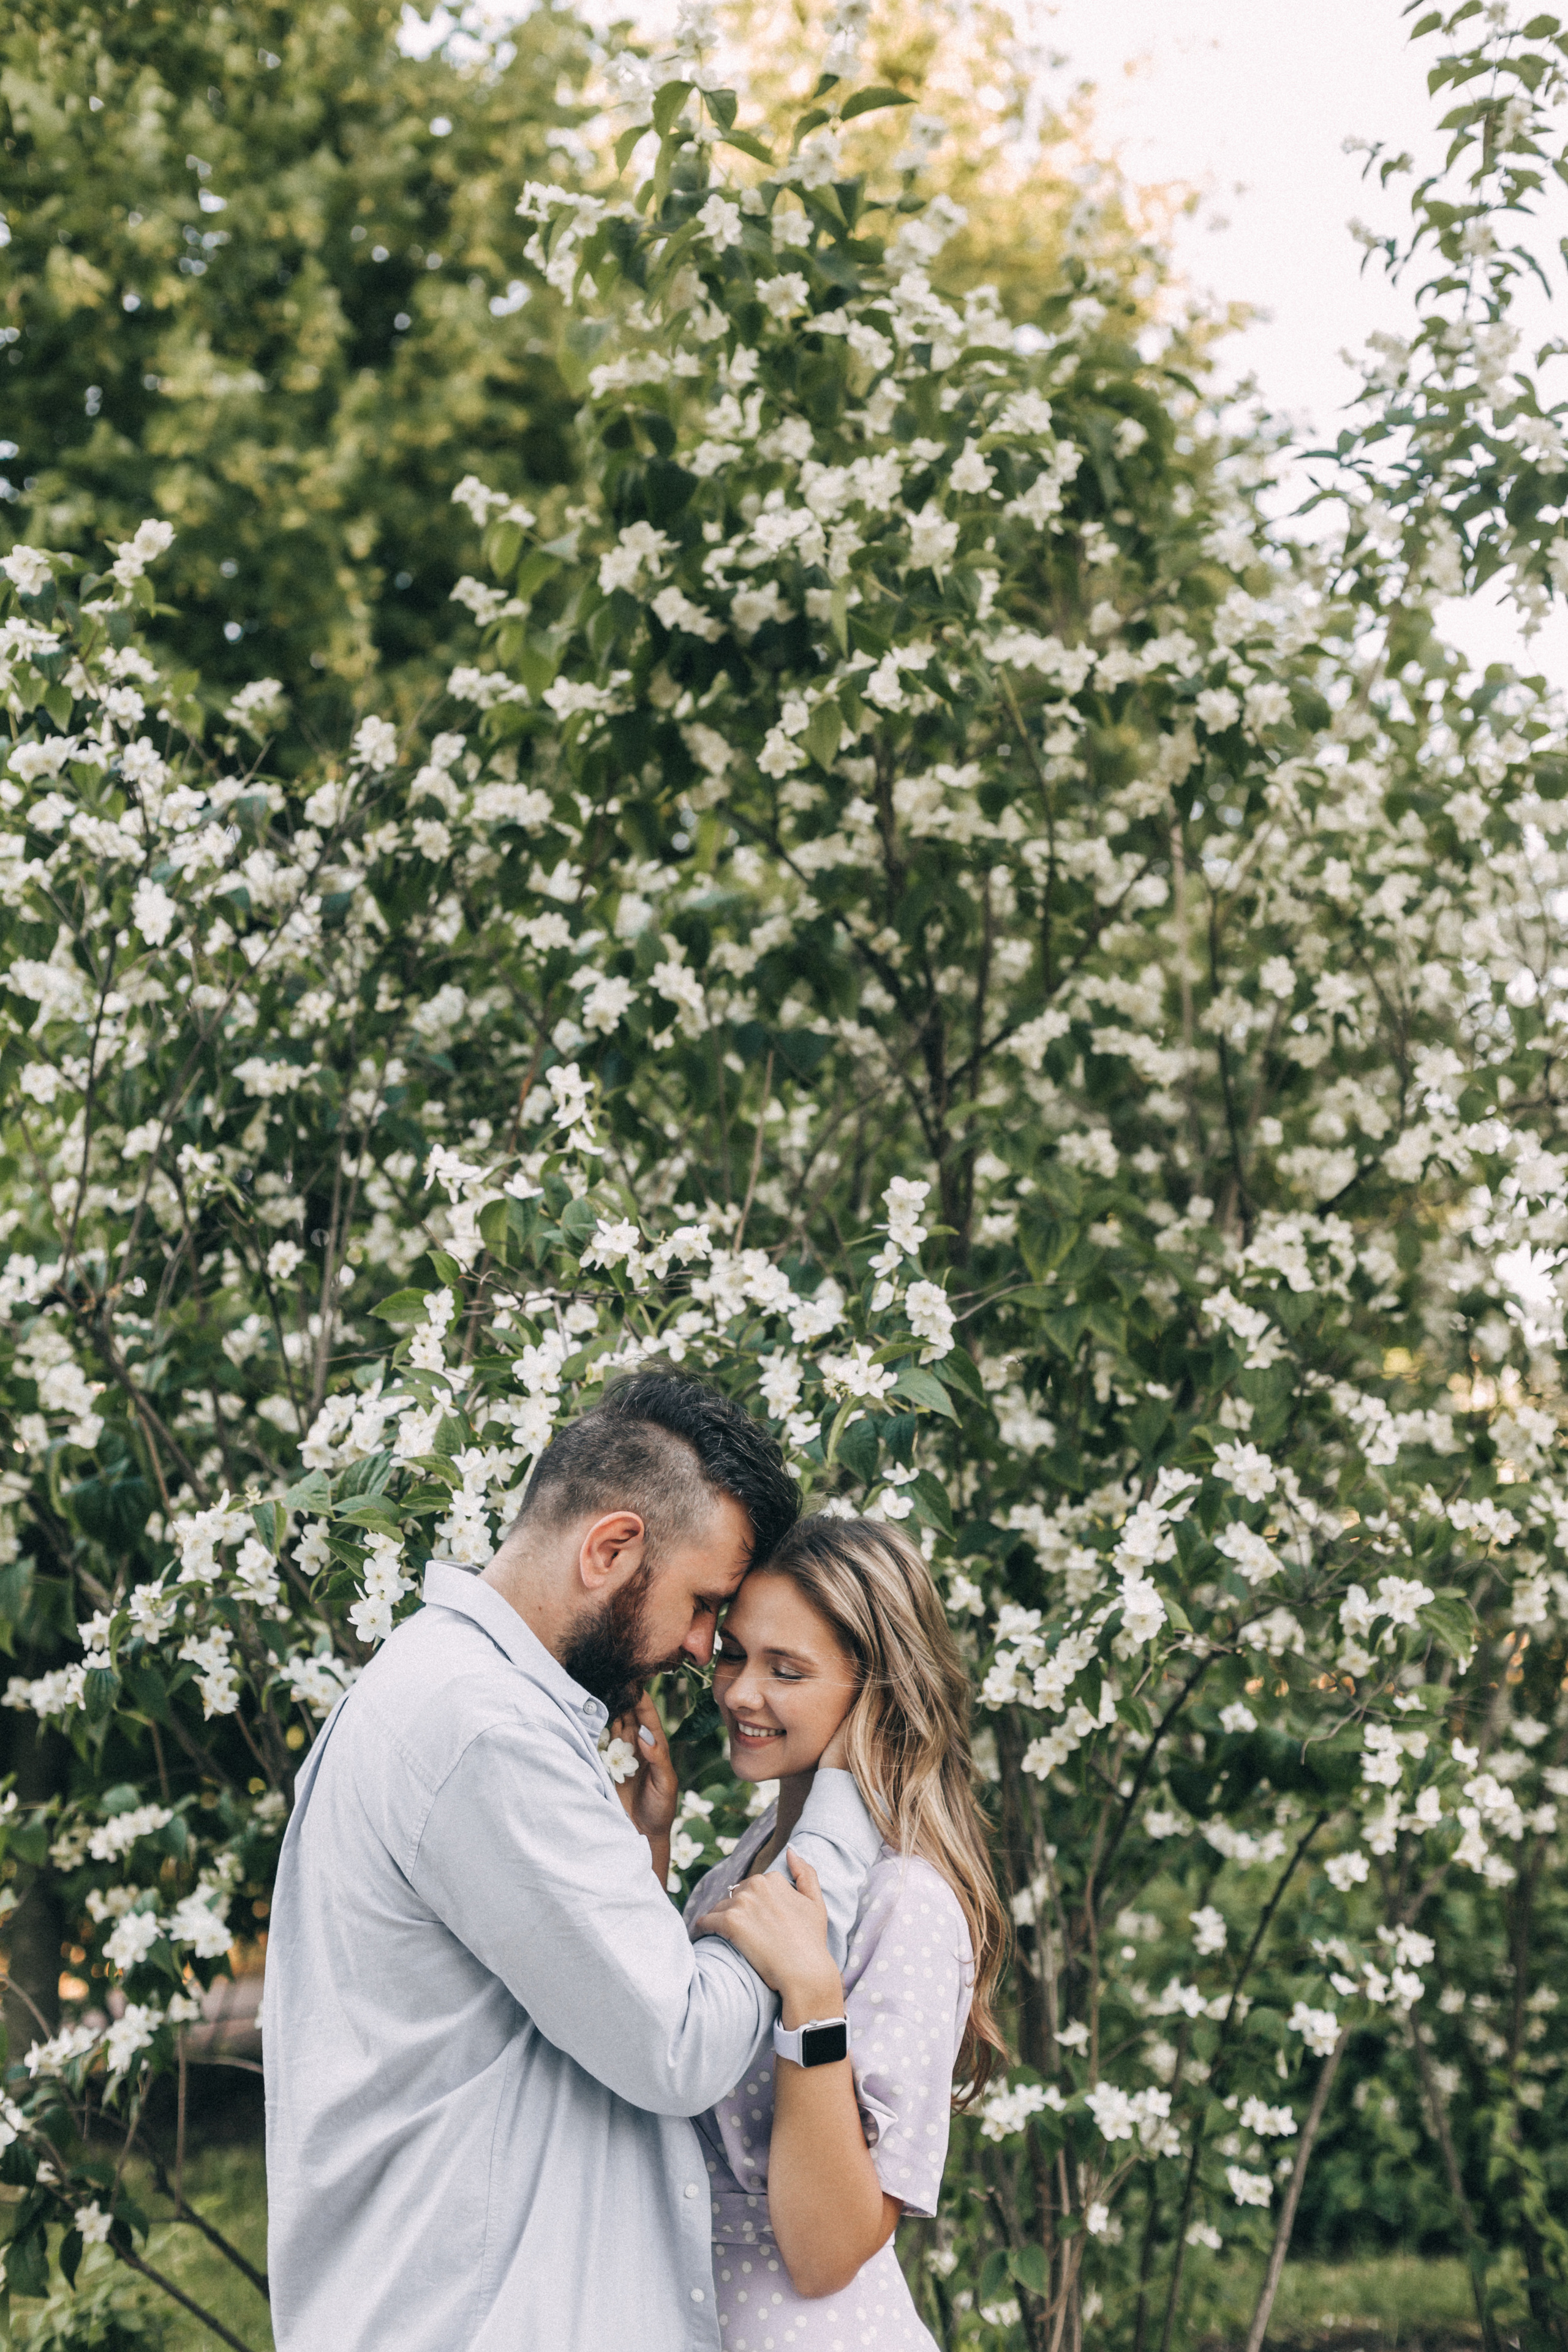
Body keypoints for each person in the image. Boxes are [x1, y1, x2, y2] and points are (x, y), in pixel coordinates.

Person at [264, 1373, 885, 2352]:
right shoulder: (484, 1731)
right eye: (701, 1606)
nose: (697, 1649)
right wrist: (845, 1815)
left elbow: (529, 2024)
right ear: (611, 1550)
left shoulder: (437, 1689)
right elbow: (678, 2041)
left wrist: (642, 1861)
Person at [684, 1513, 1009, 2352]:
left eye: (785, 1670)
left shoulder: (908, 1902)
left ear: (876, 1689)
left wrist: (814, 2001)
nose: (740, 1693)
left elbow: (828, 2253)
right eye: (734, 1654)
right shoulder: (744, 1866)